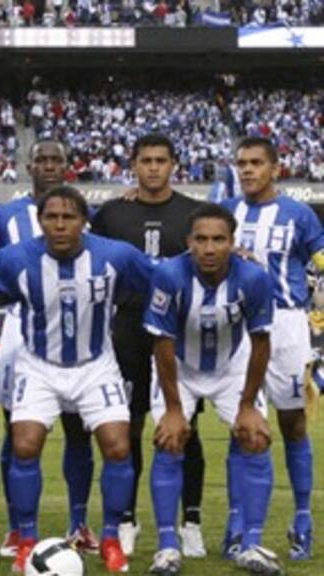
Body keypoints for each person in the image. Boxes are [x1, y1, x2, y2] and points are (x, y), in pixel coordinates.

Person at [0, 185, 152, 574]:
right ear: (40, 222)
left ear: (84, 221)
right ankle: (27, 540)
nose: (59, 225)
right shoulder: (14, 259)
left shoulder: (115, 255)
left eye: (68, 217)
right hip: (38, 364)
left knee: (118, 447)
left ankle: (109, 539)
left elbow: (164, 277)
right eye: (51, 217)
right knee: (24, 446)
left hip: (96, 364)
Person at [145, 204, 281, 575]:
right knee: (170, 439)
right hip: (180, 368)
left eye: (218, 239)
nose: (209, 248)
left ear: (232, 242)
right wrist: (174, 409)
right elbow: (162, 345)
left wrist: (248, 403)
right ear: (188, 242)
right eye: (201, 239)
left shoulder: (253, 278)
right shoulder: (169, 275)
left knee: (254, 435)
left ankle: (251, 544)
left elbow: (261, 342)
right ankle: (167, 547)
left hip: (232, 366)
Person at [91, 133, 207, 557]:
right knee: (129, 425)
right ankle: (126, 519)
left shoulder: (194, 213)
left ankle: (190, 519)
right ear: (133, 164)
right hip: (127, 330)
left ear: (174, 164)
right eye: (146, 160)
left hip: (178, 334)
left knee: (183, 423)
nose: (154, 167)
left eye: (161, 160)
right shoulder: (112, 214)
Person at [0, 140, 98, 556]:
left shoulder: (87, 215)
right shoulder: (6, 216)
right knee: (17, 431)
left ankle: (79, 522)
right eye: (43, 160)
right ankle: (18, 528)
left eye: (58, 159)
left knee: (77, 429)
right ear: (29, 165)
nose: (50, 166)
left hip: (76, 328)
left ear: (68, 165)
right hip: (20, 327)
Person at [221, 136, 324, 562]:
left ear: (275, 168)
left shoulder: (299, 214)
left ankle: (302, 517)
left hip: (286, 324)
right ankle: (237, 519)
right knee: (239, 424)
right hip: (238, 324)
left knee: (293, 425)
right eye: (241, 163)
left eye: (256, 163)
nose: (247, 170)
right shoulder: (226, 212)